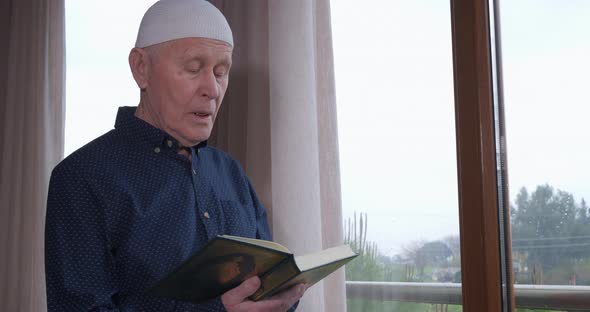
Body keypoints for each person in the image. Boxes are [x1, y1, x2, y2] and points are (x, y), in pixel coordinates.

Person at [44, 0, 305, 311]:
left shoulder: (231, 173)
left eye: (221, 72)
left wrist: (283, 299)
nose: (212, 88)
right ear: (141, 68)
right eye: (193, 68)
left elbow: (265, 285)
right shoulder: (81, 178)